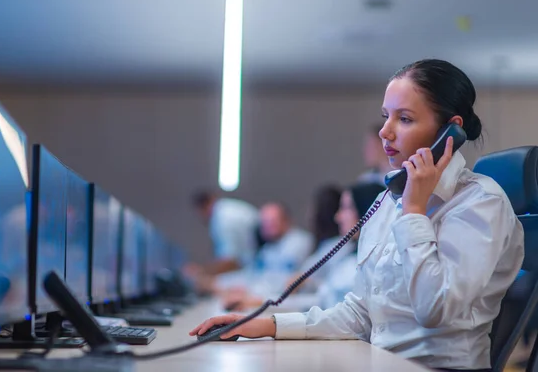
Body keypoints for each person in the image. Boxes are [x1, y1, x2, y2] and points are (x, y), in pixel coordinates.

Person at [190, 59, 524, 372]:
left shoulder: (480, 203)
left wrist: (414, 213)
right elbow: (362, 312)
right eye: (385, 117)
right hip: (376, 361)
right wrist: (263, 325)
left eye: (404, 119)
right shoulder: (388, 201)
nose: (385, 133)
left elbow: (435, 310)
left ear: (450, 132)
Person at [221, 182, 385, 312]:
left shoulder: (356, 257)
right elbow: (322, 298)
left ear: (368, 210)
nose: (338, 216)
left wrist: (262, 306)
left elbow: (328, 304)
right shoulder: (349, 254)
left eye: (346, 208)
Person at [187, 190, 259, 276]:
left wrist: (201, 272)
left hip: (256, 269)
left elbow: (230, 262)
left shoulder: (222, 218)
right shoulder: (228, 208)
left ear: (201, 209)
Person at [253, 202, 315, 274]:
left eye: (271, 221)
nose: (267, 227)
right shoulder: (267, 248)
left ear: (285, 221)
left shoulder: (302, 242)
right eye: (264, 222)